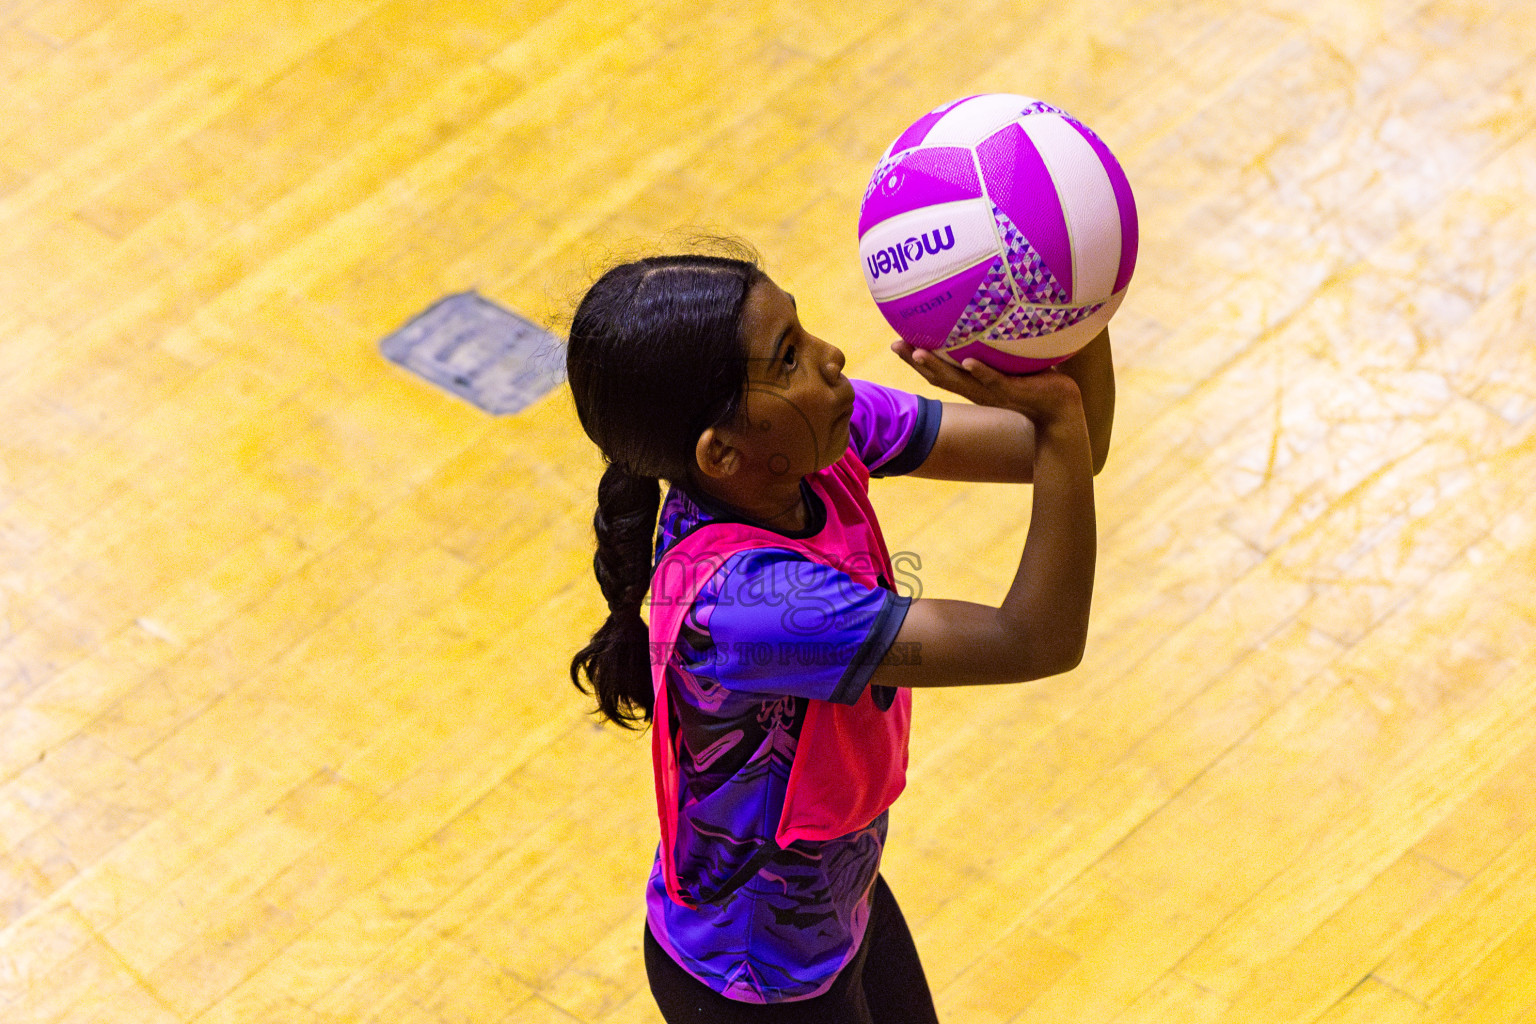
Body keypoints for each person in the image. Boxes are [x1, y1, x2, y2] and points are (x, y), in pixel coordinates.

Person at [566, 248, 1113, 1023]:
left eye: (802, 327)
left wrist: (1077, 297)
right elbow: (1034, 639)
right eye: (788, 356)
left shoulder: (809, 438)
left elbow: (1067, 451)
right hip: (756, 981)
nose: (831, 357)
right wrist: (1056, 413)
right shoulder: (755, 607)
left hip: (838, 901)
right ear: (721, 451)